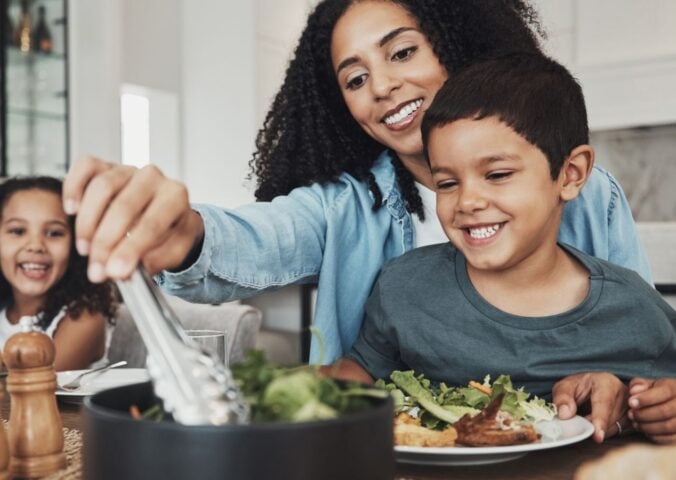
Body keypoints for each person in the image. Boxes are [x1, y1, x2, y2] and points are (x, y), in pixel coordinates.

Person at [63, 0, 649, 434]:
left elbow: (637, 348)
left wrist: (626, 392)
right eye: (356, 77)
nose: (384, 87)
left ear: (455, 40)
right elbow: (252, 238)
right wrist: (182, 232)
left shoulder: (589, 193)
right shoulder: (345, 205)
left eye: (401, 51)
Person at [328, 53, 676, 444]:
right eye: (447, 183)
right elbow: (360, 370)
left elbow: (664, 397)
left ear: (570, 174)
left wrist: (654, 410)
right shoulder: (403, 287)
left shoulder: (632, 308)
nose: (468, 202)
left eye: (497, 175)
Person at [0, 177, 118, 371]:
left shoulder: (84, 319)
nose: (36, 246)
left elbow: (33, 388)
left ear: (75, 245)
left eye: (54, 233)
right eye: (18, 231)